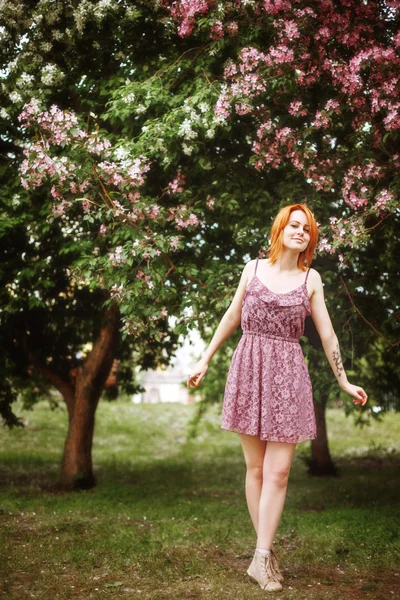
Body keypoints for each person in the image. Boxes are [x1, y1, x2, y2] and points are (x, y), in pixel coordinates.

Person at [187, 203, 368, 592]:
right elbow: (232, 315)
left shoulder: (311, 279)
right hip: (249, 368)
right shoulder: (252, 270)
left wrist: (343, 381)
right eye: (295, 225)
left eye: (307, 229)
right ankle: (263, 553)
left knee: (279, 472)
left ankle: (261, 557)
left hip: (288, 376)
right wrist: (204, 359)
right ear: (281, 228)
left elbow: (329, 335)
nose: (301, 231)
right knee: (255, 470)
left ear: (310, 239)